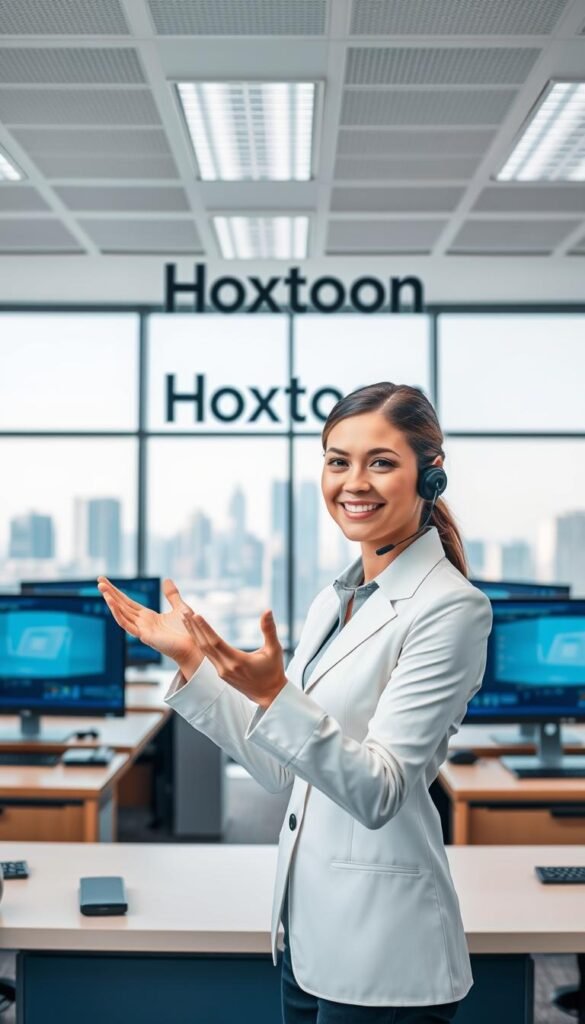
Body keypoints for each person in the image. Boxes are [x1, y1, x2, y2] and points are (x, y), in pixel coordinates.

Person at [97, 381, 493, 1024]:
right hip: (307, 936)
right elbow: (280, 767)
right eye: (338, 461)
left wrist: (274, 693)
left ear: (431, 474)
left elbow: (380, 790)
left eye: (380, 462)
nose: (354, 482)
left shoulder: (451, 608)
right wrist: (193, 661)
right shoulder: (332, 602)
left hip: (384, 956)